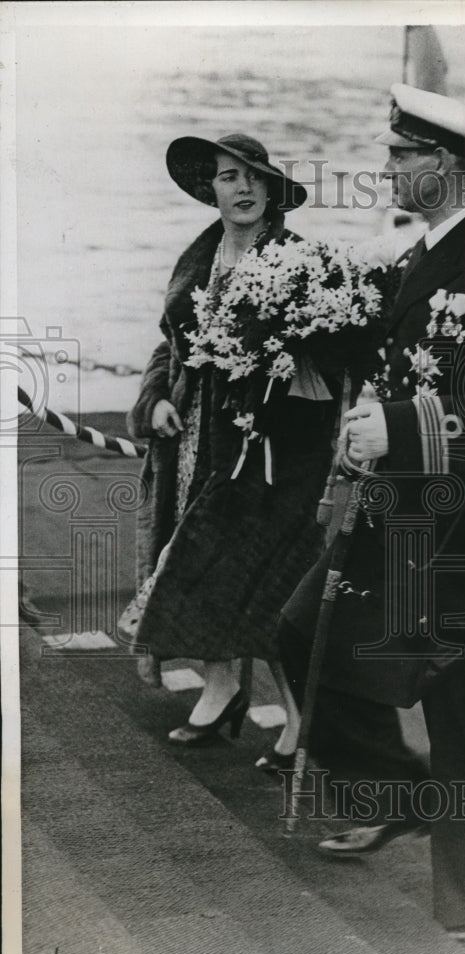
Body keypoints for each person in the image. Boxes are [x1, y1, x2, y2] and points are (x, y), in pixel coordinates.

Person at [279, 84, 465, 944]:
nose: (387, 167)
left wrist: (393, 427)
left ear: (444, 166)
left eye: (402, 156)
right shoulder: (417, 258)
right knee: (297, 633)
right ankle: (397, 797)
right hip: (401, 522)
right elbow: (386, 356)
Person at [124, 133, 337, 752]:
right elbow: (170, 347)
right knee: (200, 569)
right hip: (195, 443)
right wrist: (157, 398)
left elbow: (328, 362)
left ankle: (301, 723)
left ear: (271, 189)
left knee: (269, 583)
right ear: (209, 189)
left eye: (253, 177)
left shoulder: (300, 260)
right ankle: (220, 694)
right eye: (226, 177)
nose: (241, 189)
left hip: (271, 453)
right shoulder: (198, 259)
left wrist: (276, 380)